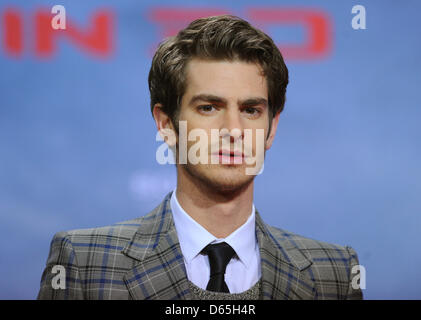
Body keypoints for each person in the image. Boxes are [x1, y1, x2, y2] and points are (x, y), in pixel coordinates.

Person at [37, 15, 363, 300]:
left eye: (251, 110)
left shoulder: (332, 274)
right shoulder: (85, 264)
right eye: (208, 108)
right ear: (166, 125)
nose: (233, 130)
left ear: (271, 128)